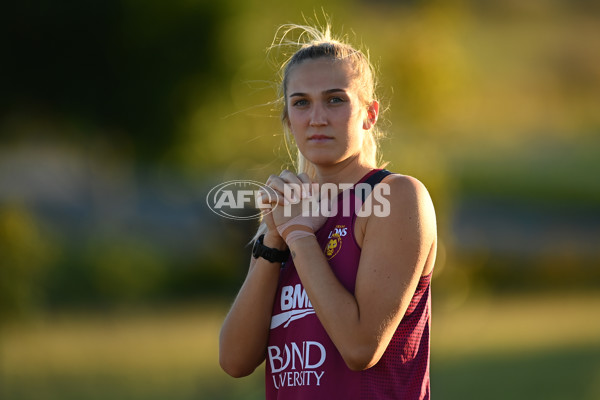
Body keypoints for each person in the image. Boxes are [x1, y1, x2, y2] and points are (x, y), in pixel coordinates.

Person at [219, 22, 437, 400]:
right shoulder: (288, 213)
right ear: (288, 119)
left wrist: (301, 236)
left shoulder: (394, 196)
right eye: (301, 102)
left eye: (335, 99)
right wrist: (274, 239)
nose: (317, 117)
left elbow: (359, 349)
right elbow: (235, 360)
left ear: (369, 113)